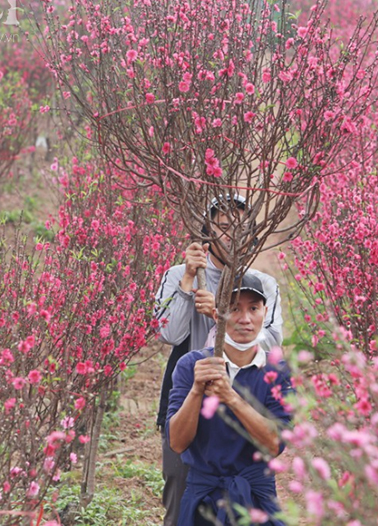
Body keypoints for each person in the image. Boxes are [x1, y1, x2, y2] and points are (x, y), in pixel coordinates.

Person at [154, 194, 283, 526]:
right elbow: (169, 334)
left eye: (239, 228)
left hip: (244, 394)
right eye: (223, 227)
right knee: (182, 498)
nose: (230, 236)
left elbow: (271, 339)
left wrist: (221, 316)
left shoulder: (263, 285)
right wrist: (186, 283)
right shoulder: (180, 275)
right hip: (188, 395)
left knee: (247, 502)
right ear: (207, 230)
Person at [167, 273, 293, 526]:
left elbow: (274, 444)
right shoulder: (191, 365)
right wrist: (196, 391)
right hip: (204, 499)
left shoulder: (277, 371)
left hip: (256, 499)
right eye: (234, 309)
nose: (245, 319)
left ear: (265, 312)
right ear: (217, 315)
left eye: (253, 308)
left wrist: (231, 398)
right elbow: (178, 443)